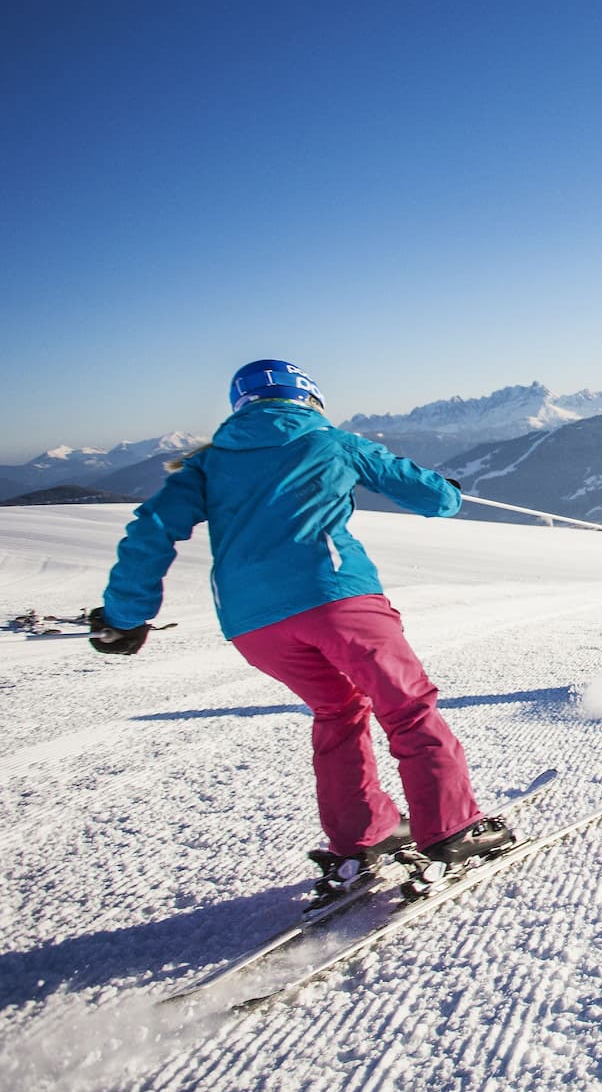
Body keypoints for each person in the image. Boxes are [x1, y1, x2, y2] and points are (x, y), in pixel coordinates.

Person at [89, 359, 513, 887]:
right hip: (337, 601)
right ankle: (451, 828)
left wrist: (126, 615)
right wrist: (447, 490)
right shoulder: (334, 442)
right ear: (309, 398)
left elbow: (152, 529)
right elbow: (431, 496)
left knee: (338, 710)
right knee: (405, 707)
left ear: (241, 404)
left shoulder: (207, 464)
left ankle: (366, 834)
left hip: (253, 625)